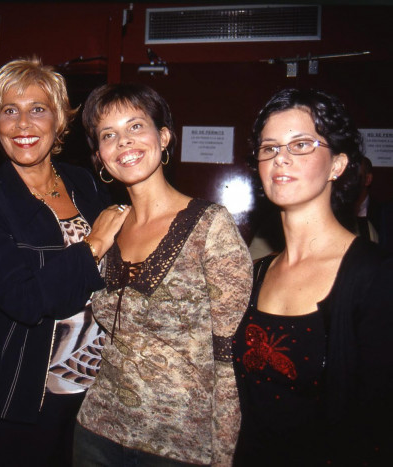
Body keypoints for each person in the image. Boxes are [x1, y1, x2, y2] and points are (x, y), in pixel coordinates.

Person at [0, 57, 128, 467]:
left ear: (59, 120)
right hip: (31, 399)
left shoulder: (85, 183)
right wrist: (95, 242)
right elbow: (24, 299)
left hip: (101, 395)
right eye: (8, 111)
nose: (23, 124)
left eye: (38, 109)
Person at [74, 83, 253, 466]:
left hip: (179, 444)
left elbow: (229, 360)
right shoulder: (107, 227)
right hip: (97, 428)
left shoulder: (210, 227)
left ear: (164, 136)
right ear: (100, 155)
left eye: (136, 126)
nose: (124, 142)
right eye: (109, 135)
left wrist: (223, 454)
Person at [232, 88, 393, 466]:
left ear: (337, 164)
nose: (280, 159)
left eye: (300, 145)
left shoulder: (375, 276)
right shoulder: (257, 273)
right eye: (269, 148)